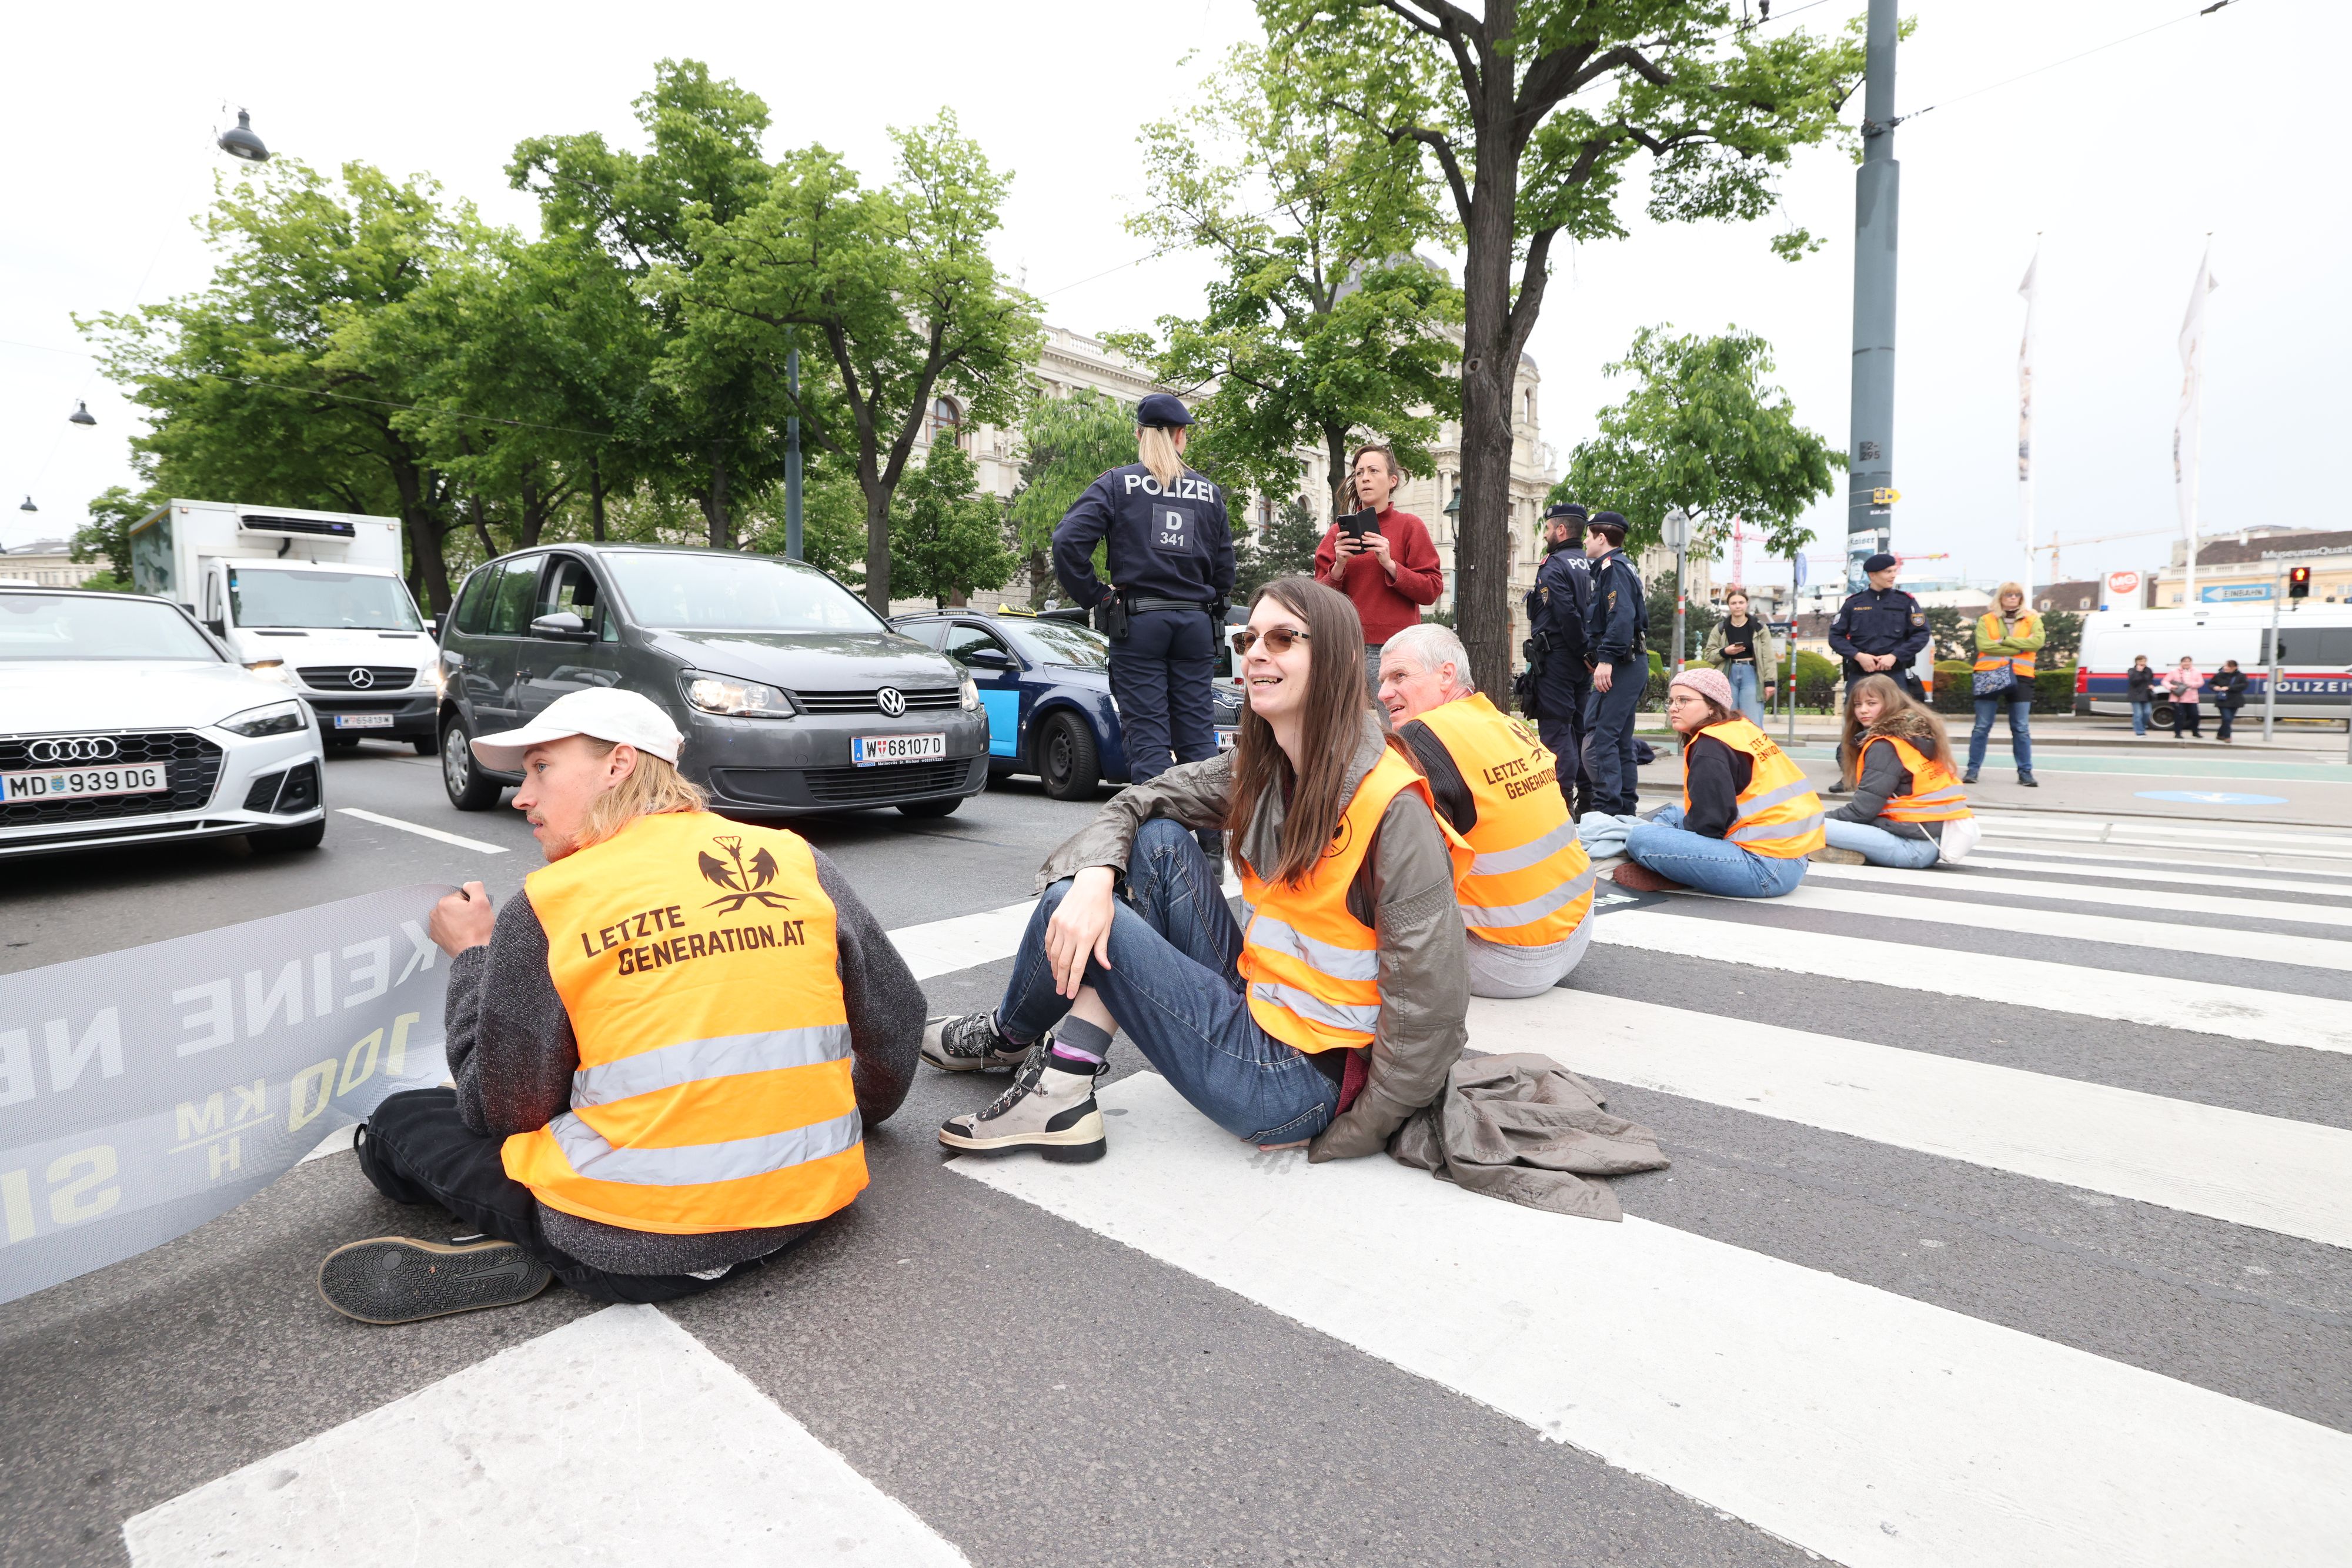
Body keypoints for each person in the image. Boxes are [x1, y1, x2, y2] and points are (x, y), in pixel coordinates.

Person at [320, 689, 923, 1325]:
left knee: (401, 1121)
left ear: (619, 764)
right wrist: (847, 1117)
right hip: (813, 1205)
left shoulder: (553, 902)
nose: (522, 796)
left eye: (541, 767)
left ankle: (542, 1242)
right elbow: (900, 1017)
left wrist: (472, 956)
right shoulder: (796, 859)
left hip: (638, 1246)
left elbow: (500, 1111)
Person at [919, 576, 1471, 1165]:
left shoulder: (1393, 807)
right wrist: (1096, 877)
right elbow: (1139, 801)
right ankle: (1040, 1064)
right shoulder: (1267, 767)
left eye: (1283, 639)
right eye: (1249, 638)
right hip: (1262, 1004)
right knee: (1155, 845)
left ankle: (1020, 1050)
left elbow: (1432, 1008)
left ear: (1336, 660)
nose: (1256, 653)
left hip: (1299, 1080)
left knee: (1071, 906)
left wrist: (1363, 1129)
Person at [1378, 623, 1595, 998]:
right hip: (1577, 930)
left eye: (1399, 676)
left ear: (1446, 674)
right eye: (1383, 680)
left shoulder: (1421, 735)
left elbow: (1403, 872)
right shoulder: (1508, 725)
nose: (1383, 692)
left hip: (1505, 959)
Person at [1051, 392, 1236, 790]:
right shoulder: (1209, 492)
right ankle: (1208, 828)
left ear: (1139, 435)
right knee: (1198, 737)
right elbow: (1225, 570)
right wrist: (1211, 603)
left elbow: (1067, 542)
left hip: (1140, 623)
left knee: (1148, 739)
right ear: (1181, 435)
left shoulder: (1117, 484)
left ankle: (1158, 828)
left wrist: (1097, 596)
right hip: (1195, 624)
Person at [1611, 667, 1823, 898]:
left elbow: (1709, 825)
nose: (1673, 707)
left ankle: (1676, 871)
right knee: (1670, 814)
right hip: (1793, 856)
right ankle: (1678, 867)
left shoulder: (1710, 747)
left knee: (1641, 839)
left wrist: (1673, 848)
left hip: (1765, 869)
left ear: (1712, 705)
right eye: (1671, 701)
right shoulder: (1740, 728)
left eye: (1684, 700)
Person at [1313, 443, 1444, 697]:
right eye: (1359, 473)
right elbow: (1318, 598)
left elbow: (1431, 590)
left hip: (1396, 648)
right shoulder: (1337, 534)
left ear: (1392, 480)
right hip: (1346, 647)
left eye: (1374, 471)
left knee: (1397, 719)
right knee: (1343, 721)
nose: (1365, 478)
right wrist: (1339, 566)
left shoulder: (1410, 526)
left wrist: (1390, 564)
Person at [1817, 674, 1974, 869]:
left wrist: (1818, 819)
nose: (1863, 710)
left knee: (1803, 825)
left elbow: (1862, 811)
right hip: (1933, 843)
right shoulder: (1917, 737)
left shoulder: (1885, 746)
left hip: (1911, 848)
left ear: (1891, 703)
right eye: (1858, 705)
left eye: (1871, 703)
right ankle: (1852, 852)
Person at [1524, 500, 1594, 816]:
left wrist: (1581, 650)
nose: (1546, 534)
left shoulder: (1554, 565)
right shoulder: (1591, 563)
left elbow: (1565, 613)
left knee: (1556, 729)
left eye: (1549, 528)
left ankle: (1560, 805)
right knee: (1580, 728)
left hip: (1558, 658)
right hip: (1583, 662)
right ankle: (1588, 800)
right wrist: (1590, 654)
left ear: (1561, 530)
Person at [1580, 511, 1649, 818]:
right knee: (1619, 739)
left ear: (1601, 538)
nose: (1585, 542)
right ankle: (1623, 812)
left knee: (1599, 738)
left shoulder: (1613, 569)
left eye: (1588, 536)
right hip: (1630, 661)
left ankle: (1608, 812)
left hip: (1622, 662)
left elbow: (1621, 617)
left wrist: (1606, 658)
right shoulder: (1622, 566)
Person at [1965, 581, 2044, 787]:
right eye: (2009, 595)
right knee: (1982, 726)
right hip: (1989, 673)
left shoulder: (2033, 619)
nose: (2013, 598)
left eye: (2017, 595)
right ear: (2001, 597)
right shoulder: (1986, 619)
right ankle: (1972, 770)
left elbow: (2037, 643)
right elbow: (1984, 645)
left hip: (2022, 676)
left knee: (2021, 727)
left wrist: (2004, 641)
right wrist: (2021, 647)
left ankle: (2025, 773)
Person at [1828, 552, 1929, 700]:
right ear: (1873, 575)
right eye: (1888, 572)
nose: (1893, 576)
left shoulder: (1906, 602)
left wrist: (1895, 656)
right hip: (1860, 675)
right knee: (1857, 714)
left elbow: (1922, 634)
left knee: (1897, 714)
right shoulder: (1853, 603)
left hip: (1895, 675)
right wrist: (1858, 656)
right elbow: (1835, 636)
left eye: (1894, 571)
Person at [1700, 587, 1779, 727]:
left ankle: (1753, 741)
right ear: (1729, 605)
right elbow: (1709, 654)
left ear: (1747, 604)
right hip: (1728, 673)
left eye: (1741, 603)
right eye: (1734, 603)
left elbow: (1768, 656)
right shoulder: (1721, 628)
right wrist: (1725, 652)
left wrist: (1770, 683)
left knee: (1752, 719)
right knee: (1727, 718)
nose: (1738, 606)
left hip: (1752, 674)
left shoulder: (1759, 627)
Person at [2166, 656, 2206, 740]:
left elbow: (2201, 683)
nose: (2187, 663)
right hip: (2179, 698)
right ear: (2181, 663)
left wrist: (2191, 684)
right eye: (2185, 661)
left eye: (2188, 661)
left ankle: (2195, 732)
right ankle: (2178, 733)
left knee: (2195, 715)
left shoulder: (2197, 672)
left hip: (2192, 698)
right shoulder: (2174, 671)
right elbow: (2165, 681)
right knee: (2180, 716)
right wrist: (2171, 687)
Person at [2211, 658, 2249, 743]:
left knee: (2229, 720)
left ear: (2235, 668)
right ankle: (2228, 737)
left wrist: (2229, 688)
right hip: (2223, 700)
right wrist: (2215, 687)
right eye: (2225, 666)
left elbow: (2244, 685)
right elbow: (2211, 683)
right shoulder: (2219, 675)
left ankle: (2220, 734)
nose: (2226, 668)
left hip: (2235, 700)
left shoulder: (2241, 676)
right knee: (2227, 718)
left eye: (2228, 666)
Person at [2127, 654, 2159, 737]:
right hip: (2135, 695)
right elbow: (2134, 682)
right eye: (2141, 661)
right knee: (2138, 714)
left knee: (2147, 712)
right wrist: (2139, 672)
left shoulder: (2148, 670)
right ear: (2136, 662)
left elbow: (2150, 680)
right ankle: (2140, 732)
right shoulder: (2132, 671)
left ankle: (2142, 727)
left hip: (2146, 695)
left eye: (2144, 661)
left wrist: (2151, 685)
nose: (2143, 663)